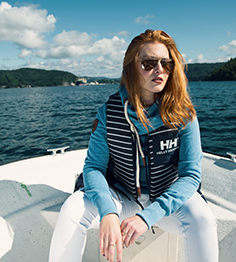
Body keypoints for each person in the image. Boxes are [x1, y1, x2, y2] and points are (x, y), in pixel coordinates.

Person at [49, 29, 219, 262]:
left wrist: (149, 215)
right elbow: (93, 168)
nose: (159, 70)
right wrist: (107, 211)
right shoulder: (109, 113)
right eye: (149, 63)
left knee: (203, 219)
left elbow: (190, 175)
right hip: (123, 196)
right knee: (72, 209)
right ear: (131, 67)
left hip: (166, 200)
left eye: (166, 64)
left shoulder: (184, 114)